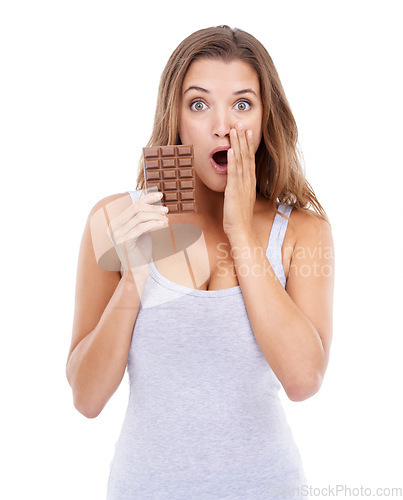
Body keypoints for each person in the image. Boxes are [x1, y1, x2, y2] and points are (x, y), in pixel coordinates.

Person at [66, 25, 334, 499]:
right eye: (199, 103)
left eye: (242, 104)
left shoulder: (302, 232)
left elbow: (304, 381)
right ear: (175, 117)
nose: (221, 126)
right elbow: (87, 399)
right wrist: (134, 276)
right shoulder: (114, 219)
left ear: (265, 117)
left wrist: (241, 233)